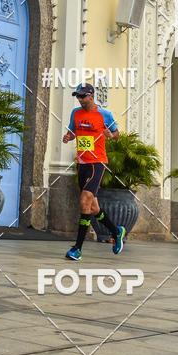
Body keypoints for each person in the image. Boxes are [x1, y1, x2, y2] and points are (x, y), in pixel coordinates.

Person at [62, 83, 126, 260]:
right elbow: (72, 132)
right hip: (82, 163)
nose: (80, 100)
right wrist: (68, 137)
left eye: (83, 96)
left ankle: (77, 248)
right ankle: (116, 231)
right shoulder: (75, 113)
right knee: (93, 207)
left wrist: (110, 135)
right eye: (78, 96)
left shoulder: (105, 114)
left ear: (91, 96)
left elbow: (116, 134)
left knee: (84, 201)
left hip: (97, 163)